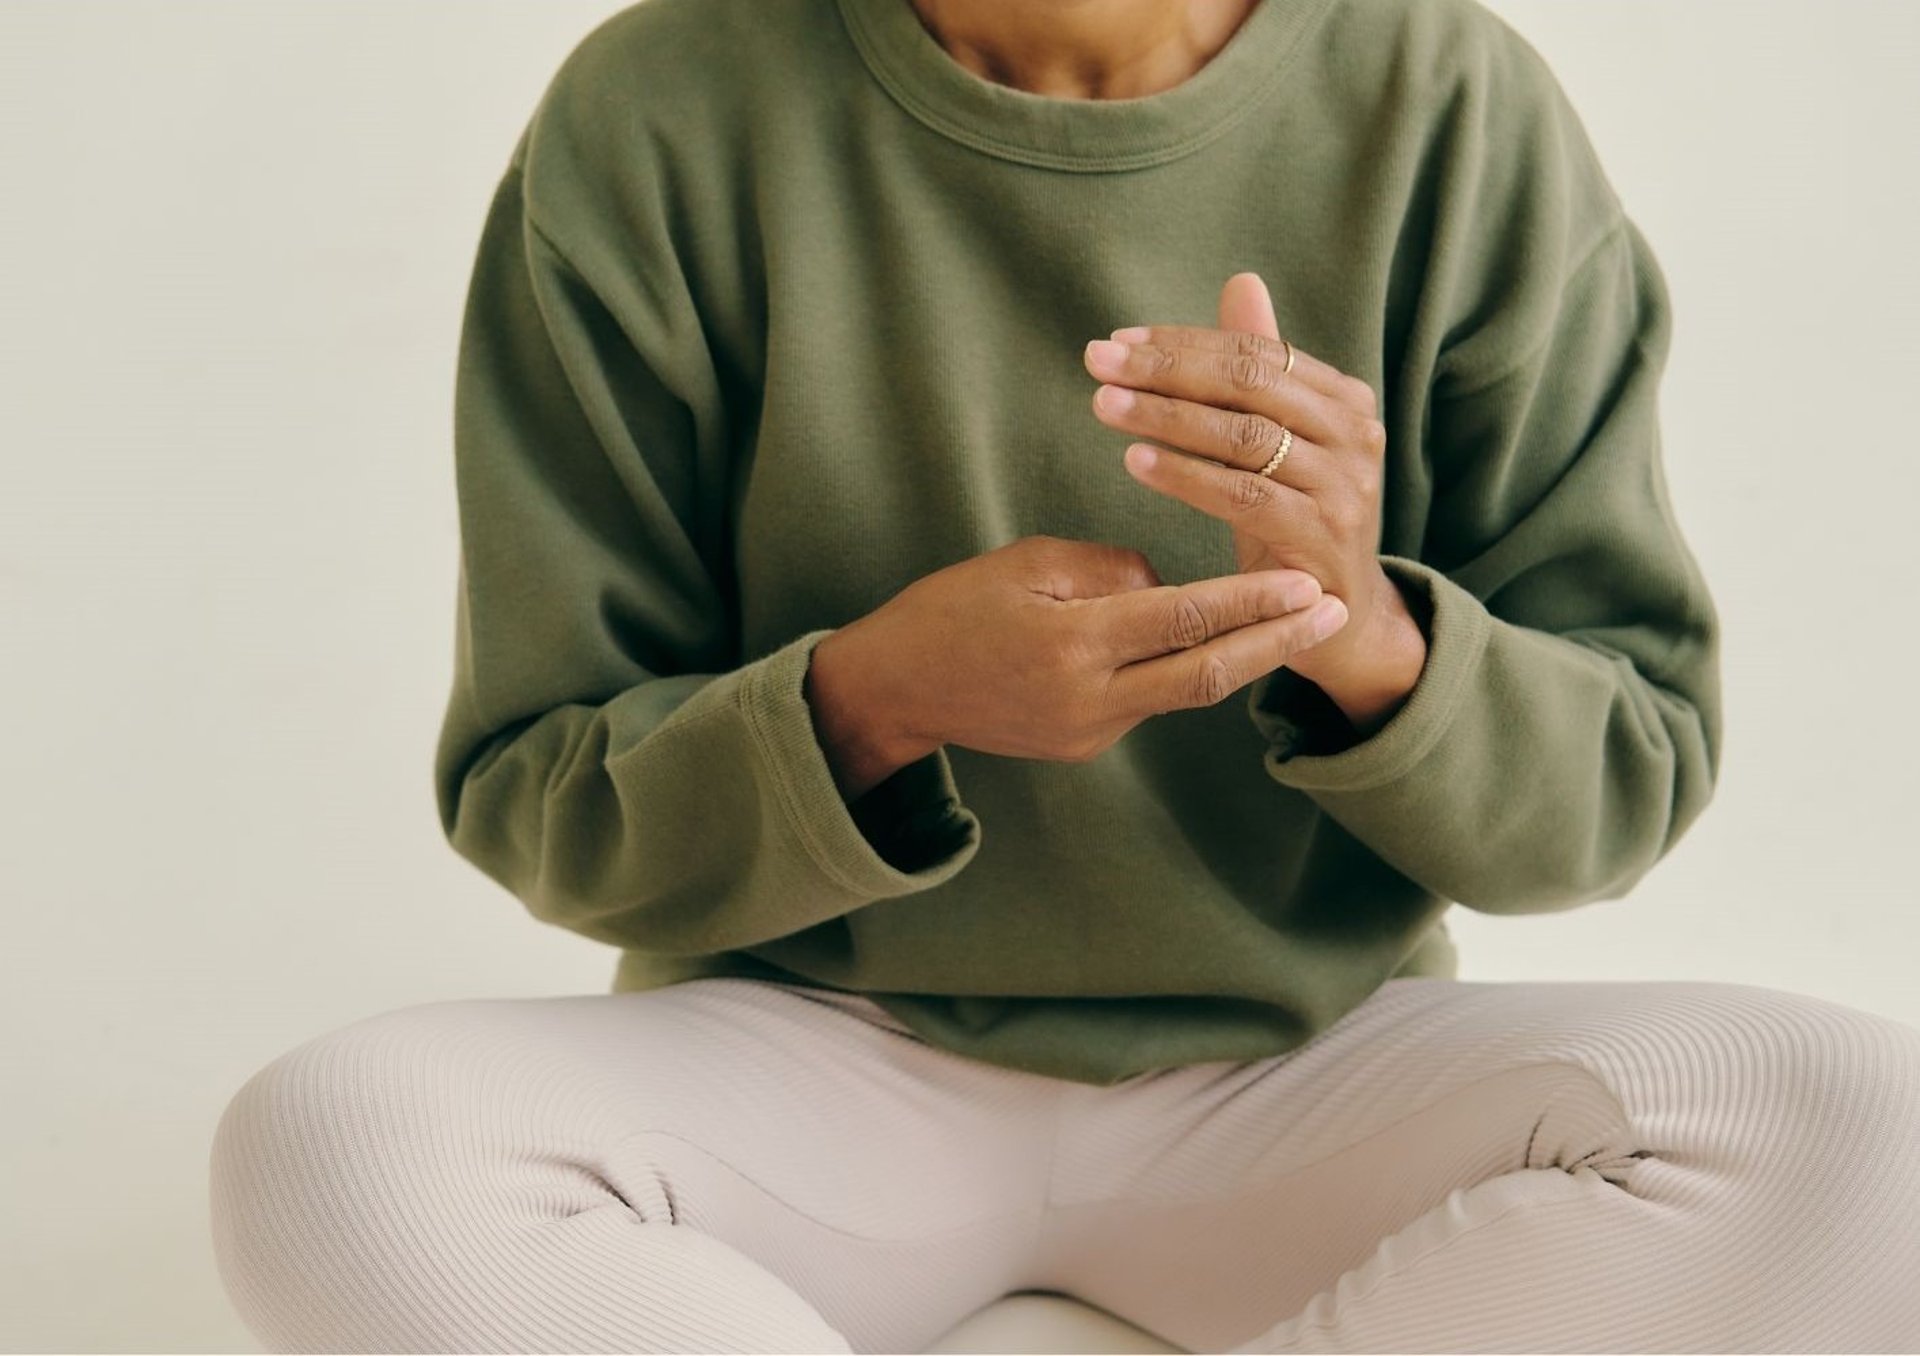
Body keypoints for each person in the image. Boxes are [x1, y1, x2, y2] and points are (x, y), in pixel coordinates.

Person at [207, 0, 1920, 1350]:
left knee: (1862, 1129)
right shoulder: (658, 111)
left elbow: (1621, 785)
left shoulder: (1452, 104)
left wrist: (1362, 625)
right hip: (802, 1063)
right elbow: (534, 787)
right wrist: (875, 702)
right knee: (337, 1144)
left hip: (1314, 1068)